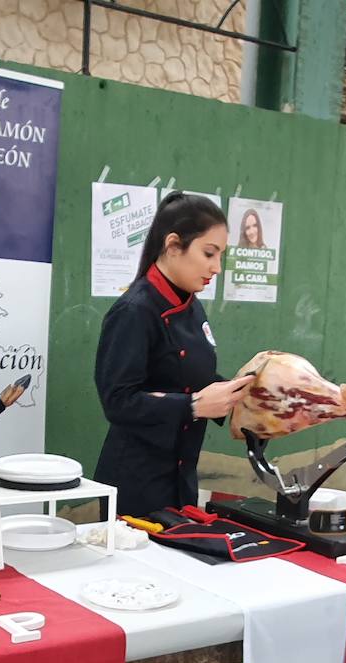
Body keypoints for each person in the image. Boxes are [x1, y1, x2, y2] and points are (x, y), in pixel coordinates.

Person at [93, 192, 253, 516]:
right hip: (134, 486)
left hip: (180, 480)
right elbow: (118, 401)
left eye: (221, 255)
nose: (217, 267)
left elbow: (194, 379)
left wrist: (246, 396)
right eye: (209, 253)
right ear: (173, 245)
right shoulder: (134, 311)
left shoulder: (193, 308)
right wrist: (193, 407)